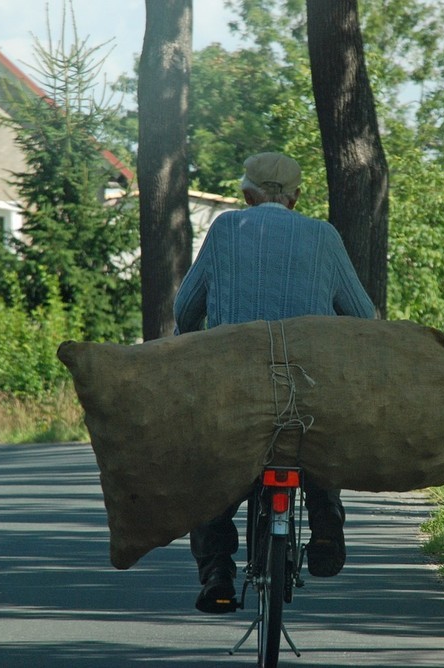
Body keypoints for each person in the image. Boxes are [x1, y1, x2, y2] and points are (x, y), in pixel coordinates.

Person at [173, 151, 376, 614]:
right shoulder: (324, 236)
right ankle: (326, 517)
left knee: (212, 474)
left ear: (247, 193)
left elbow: (186, 309)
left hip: (235, 389)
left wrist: (191, 340)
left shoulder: (226, 229)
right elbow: (363, 315)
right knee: (319, 437)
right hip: (305, 390)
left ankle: (218, 572)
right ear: (297, 195)